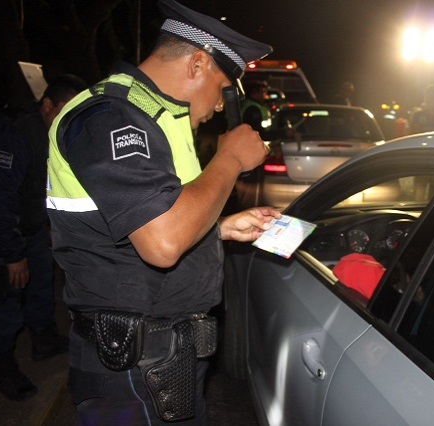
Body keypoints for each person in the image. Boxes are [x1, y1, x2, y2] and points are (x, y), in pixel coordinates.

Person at [45, 1, 281, 424]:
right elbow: (163, 243)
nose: (220, 106)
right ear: (197, 64)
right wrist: (227, 160)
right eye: (225, 88)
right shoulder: (110, 116)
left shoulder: (158, 118)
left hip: (166, 357)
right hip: (132, 368)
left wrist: (220, 229)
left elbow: (145, 221)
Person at [0, 74, 88, 400]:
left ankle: (44, 340)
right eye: (65, 111)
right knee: (5, 298)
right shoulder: (12, 134)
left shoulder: (54, 131)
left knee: (39, 284)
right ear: (47, 104)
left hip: (32, 227)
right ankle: (1, 367)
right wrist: (11, 254)